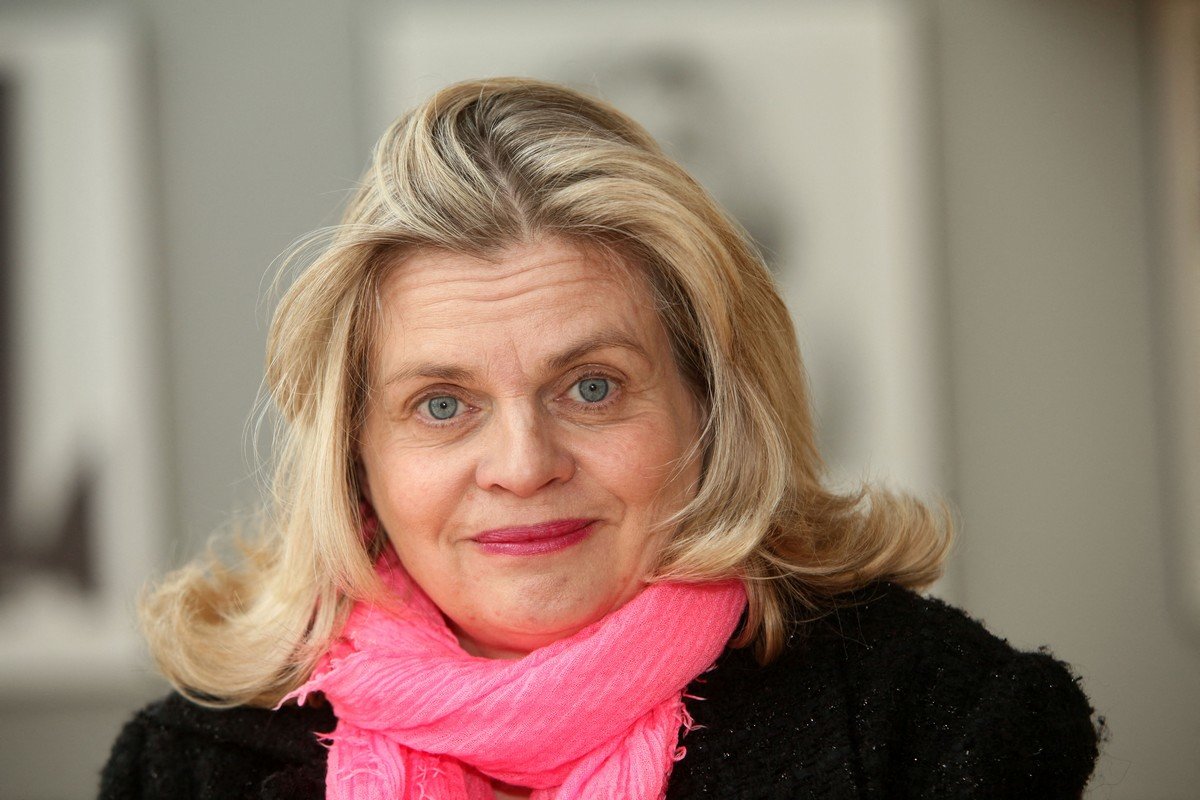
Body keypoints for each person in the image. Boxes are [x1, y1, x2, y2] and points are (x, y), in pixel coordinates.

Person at [100, 78, 1099, 799]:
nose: (524, 466)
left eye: (592, 387)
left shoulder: (933, 718)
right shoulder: (186, 768)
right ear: (355, 452)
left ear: (711, 406)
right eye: (442, 404)